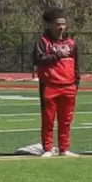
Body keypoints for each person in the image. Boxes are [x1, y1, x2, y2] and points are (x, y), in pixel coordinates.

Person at [33, 8, 81, 158]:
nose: (61, 27)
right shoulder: (43, 42)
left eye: (63, 24)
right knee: (48, 120)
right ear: (50, 25)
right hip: (50, 86)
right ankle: (47, 148)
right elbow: (38, 60)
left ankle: (64, 148)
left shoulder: (71, 43)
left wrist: (76, 83)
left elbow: (76, 65)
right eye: (58, 24)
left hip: (68, 86)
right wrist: (57, 55)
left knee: (66, 120)